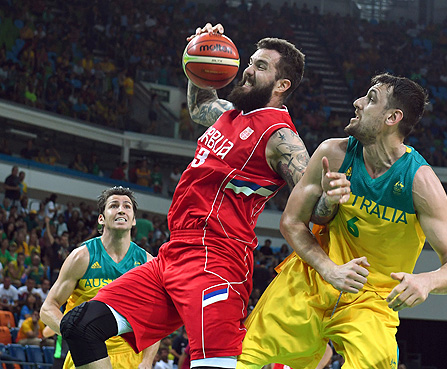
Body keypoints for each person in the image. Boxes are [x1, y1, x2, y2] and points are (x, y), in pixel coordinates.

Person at [58, 23, 349, 369]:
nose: (248, 69)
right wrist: (200, 50)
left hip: (217, 260)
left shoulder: (281, 138)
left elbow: (313, 211)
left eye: (260, 66)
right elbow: (199, 107)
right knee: (80, 326)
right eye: (250, 62)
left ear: (282, 85)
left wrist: (332, 196)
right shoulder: (228, 113)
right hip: (174, 253)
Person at [237, 73, 447, 368]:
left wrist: (426, 281)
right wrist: (329, 269)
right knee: (241, 357)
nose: (357, 102)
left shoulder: (420, 183)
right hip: (311, 278)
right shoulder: (332, 154)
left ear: (393, 117)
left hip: (370, 301)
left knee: (377, 362)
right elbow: (292, 222)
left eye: (371, 98)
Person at [40, 186, 159, 369]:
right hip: (85, 358)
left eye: (127, 206)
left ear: (134, 220)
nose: (121, 209)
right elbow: (48, 308)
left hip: (129, 359)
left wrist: (147, 362)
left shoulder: (146, 263)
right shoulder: (82, 257)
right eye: (114, 205)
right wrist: (77, 335)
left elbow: (154, 319)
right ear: (101, 218)